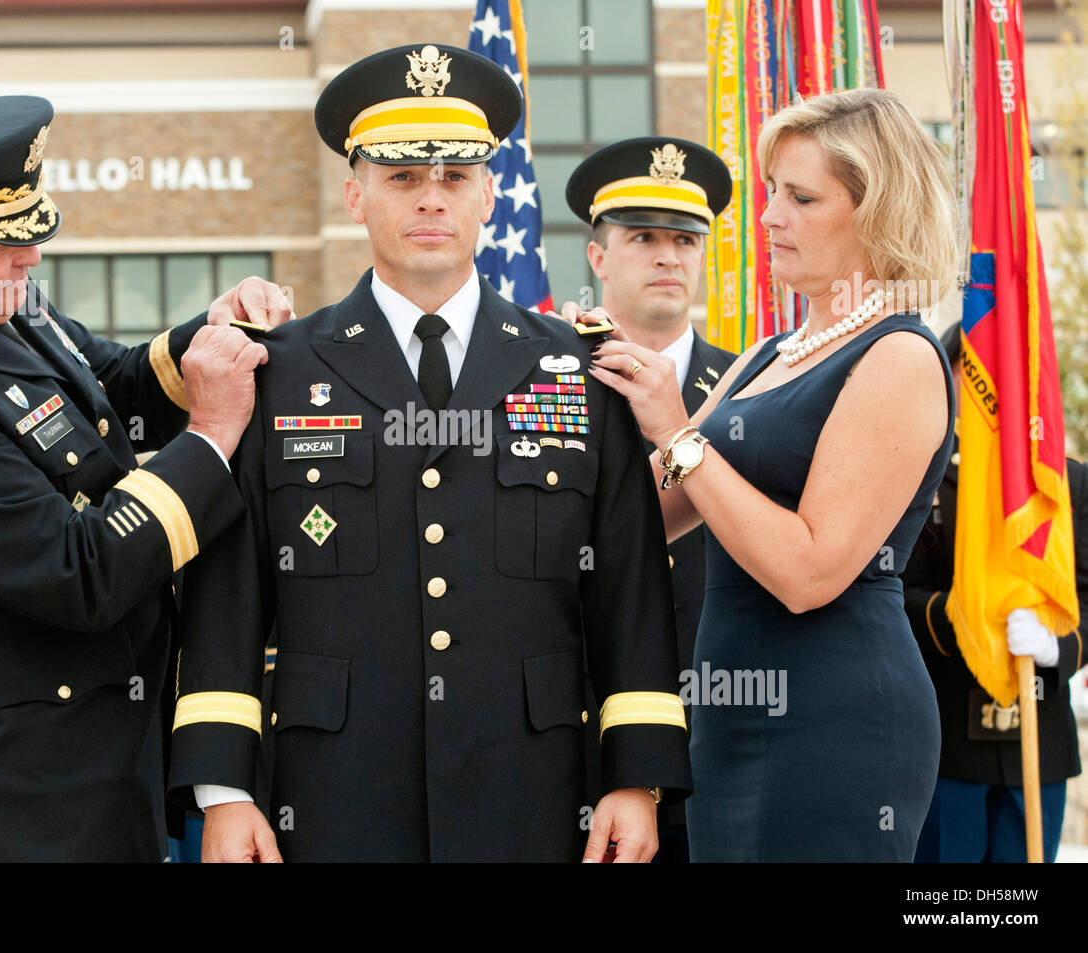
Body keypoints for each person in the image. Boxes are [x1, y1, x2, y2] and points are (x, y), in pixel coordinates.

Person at [168, 43, 691, 863]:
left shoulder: (580, 367)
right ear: (355, 194)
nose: (431, 200)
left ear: (489, 194)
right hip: (333, 792)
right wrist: (225, 792)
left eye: (454, 178)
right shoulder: (277, 369)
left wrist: (638, 777)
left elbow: (627, 590)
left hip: (535, 789)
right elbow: (229, 596)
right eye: (403, 178)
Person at [0, 95, 289, 861]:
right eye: (1, 244)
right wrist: (210, 436)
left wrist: (211, 332)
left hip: (112, 769)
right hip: (22, 807)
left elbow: (112, 386)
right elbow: (81, 571)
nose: (29, 258)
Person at [570, 88, 958, 860]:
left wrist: (680, 433)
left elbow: (808, 570)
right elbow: (640, 517)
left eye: (801, 197)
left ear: (878, 211)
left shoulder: (901, 356)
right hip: (726, 719)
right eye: (771, 191)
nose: (768, 217)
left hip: (836, 717)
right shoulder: (764, 355)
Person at [566, 137, 735, 863]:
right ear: (598, 257)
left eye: (686, 239)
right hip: (578, 736)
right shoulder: (542, 380)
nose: (670, 256)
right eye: (643, 238)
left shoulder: (751, 390)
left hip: (721, 735)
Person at [906, 322, 1087, 863]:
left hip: (1039, 742)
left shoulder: (1065, 484)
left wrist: (1060, 645)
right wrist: (955, 616)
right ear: (956, 376)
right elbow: (891, 594)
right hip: (947, 746)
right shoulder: (919, 478)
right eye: (981, 371)